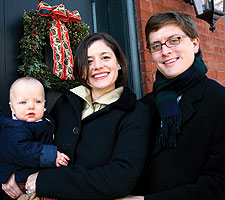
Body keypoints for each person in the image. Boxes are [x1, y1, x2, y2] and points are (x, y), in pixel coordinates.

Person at [2, 33, 151, 199]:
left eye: (105, 57)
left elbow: (120, 178)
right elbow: (19, 138)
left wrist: (46, 181)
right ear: (81, 69)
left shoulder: (136, 112)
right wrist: (6, 173)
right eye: (88, 61)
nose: (97, 66)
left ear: (119, 63)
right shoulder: (66, 103)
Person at [117, 10, 225, 200]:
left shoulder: (219, 101)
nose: (165, 51)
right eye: (156, 46)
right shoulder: (144, 106)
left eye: (174, 40)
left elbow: (220, 185)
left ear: (194, 43)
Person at [0, 77, 70, 199]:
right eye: (23, 102)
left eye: (37, 101)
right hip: (22, 183)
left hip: (41, 177)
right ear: (12, 107)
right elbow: (21, 150)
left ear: (44, 103)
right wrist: (51, 155)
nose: (31, 106)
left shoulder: (44, 119)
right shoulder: (14, 128)